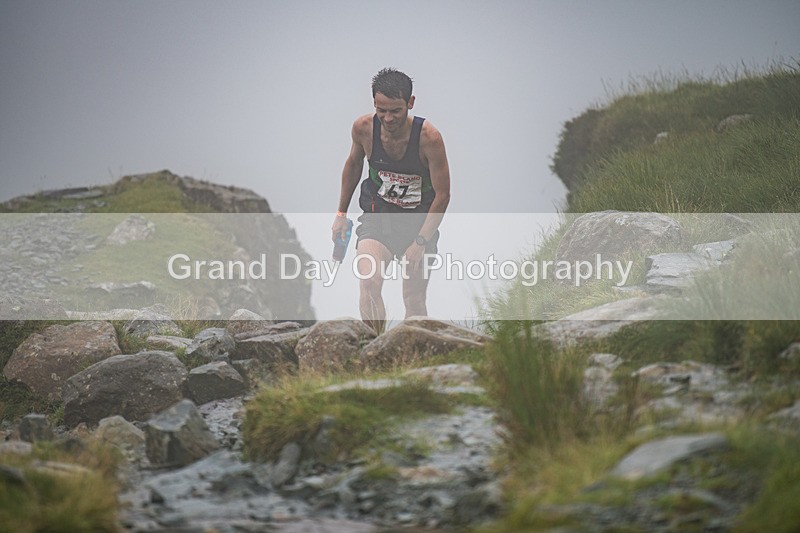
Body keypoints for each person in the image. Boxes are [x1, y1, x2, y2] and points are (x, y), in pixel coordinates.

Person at [332, 67, 451, 334]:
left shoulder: (429, 138)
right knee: (368, 282)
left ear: (410, 103)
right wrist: (340, 214)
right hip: (378, 217)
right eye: (381, 110)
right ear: (374, 103)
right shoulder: (363, 129)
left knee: (414, 298)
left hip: (419, 224)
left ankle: (413, 352)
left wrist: (420, 242)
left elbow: (443, 195)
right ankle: (374, 347)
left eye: (396, 111)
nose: (388, 118)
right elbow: (353, 165)